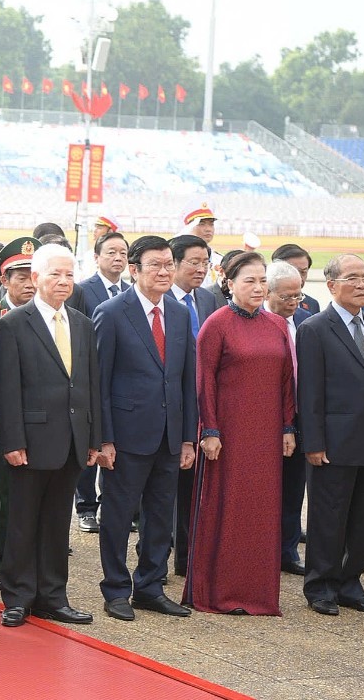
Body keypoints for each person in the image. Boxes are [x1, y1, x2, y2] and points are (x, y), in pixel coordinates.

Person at [0, 243, 103, 627]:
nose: (63, 281)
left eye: (69, 274)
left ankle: (53, 596)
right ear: (36, 277)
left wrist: (94, 438)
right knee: (23, 522)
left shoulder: (82, 324)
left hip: (73, 439)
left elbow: (91, 385)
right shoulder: (13, 323)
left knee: (58, 524)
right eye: (55, 274)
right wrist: (12, 441)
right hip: (31, 439)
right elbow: (6, 389)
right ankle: (17, 597)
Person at [182, 252, 295, 616]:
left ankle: (257, 593)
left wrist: (287, 426)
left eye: (263, 281)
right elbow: (204, 382)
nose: (259, 288)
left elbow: (286, 382)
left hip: (266, 434)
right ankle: (219, 591)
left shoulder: (277, 324)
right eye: (250, 281)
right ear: (230, 284)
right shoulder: (216, 324)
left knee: (262, 511)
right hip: (228, 435)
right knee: (229, 507)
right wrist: (210, 429)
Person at [93, 235, 197, 622]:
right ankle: (116, 589)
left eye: (169, 264)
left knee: (160, 515)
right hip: (126, 435)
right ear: (134, 270)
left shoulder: (180, 314)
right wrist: (104, 438)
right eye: (156, 265)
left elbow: (186, 380)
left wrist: (187, 438)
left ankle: (150, 587)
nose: (164, 271)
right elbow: (100, 383)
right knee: (118, 516)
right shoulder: (111, 312)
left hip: (169, 436)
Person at [297, 254, 364, 616]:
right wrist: (313, 442)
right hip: (332, 443)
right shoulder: (314, 328)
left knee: (361, 518)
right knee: (328, 518)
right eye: (352, 278)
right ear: (331, 285)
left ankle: (350, 583)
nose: (362, 285)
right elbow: (309, 392)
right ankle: (320, 585)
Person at [0, 237, 38, 590]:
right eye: (21, 277)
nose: (30, 284)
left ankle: (29, 560)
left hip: (41, 421)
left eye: (34, 276)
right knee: (2, 494)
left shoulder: (49, 318)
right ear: (4, 280)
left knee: (35, 495)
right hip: (2, 422)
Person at [71, 230, 131, 534]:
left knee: (114, 446)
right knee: (89, 445)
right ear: (96, 257)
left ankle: (113, 505)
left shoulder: (131, 291)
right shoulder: (83, 290)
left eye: (123, 253)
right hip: (89, 378)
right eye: (111, 252)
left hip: (120, 381)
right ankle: (86, 507)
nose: (118, 258)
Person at [167, 233, 220, 576]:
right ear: (173, 264)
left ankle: (186, 558)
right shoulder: (161, 301)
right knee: (163, 489)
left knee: (191, 487)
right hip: (167, 405)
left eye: (206, 263)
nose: (201, 269)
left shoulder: (208, 299)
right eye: (194, 262)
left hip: (200, 404)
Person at [265, 260, 314, 576]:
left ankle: (287, 550)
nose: (294, 302)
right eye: (286, 296)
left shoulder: (307, 323)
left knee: (294, 488)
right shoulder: (258, 323)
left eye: (298, 295)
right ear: (267, 293)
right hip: (265, 418)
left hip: (299, 417)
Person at [271, 243, 320, 314]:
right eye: (291, 272)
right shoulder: (257, 306)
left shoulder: (312, 305)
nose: (299, 278)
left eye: (303, 272)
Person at [182, 202, 222, 288]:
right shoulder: (177, 256)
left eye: (211, 224)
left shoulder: (219, 260)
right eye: (201, 224)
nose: (208, 229)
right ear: (189, 227)